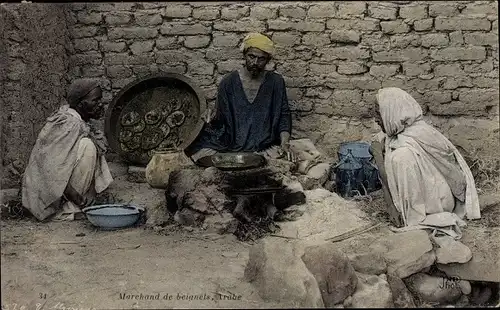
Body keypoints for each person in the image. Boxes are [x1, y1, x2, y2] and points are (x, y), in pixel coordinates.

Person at [370, 87, 480, 239]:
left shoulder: (404, 152)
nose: (375, 119)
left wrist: (378, 157)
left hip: (437, 205)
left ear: (392, 112)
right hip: (440, 196)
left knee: (400, 158)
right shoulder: (409, 130)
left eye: (378, 113)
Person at [185, 32, 297, 162]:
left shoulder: (276, 82)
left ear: (268, 60)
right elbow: (221, 121)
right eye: (251, 56)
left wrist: (285, 144)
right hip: (231, 145)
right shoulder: (228, 82)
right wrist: (211, 118)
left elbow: (283, 115)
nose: (255, 62)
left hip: (264, 146)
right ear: (244, 55)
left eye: (261, 59)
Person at [22, 78, 113, 221]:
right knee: (87, 146)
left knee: (89, 144)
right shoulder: (67, 124)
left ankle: (73, 205)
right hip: (45, 198)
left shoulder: (77, 121)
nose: (101, 104)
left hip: (58, 190)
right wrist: (79, 200)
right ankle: (66, 209)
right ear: (81, 104)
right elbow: (52, 170)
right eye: (95, 100)